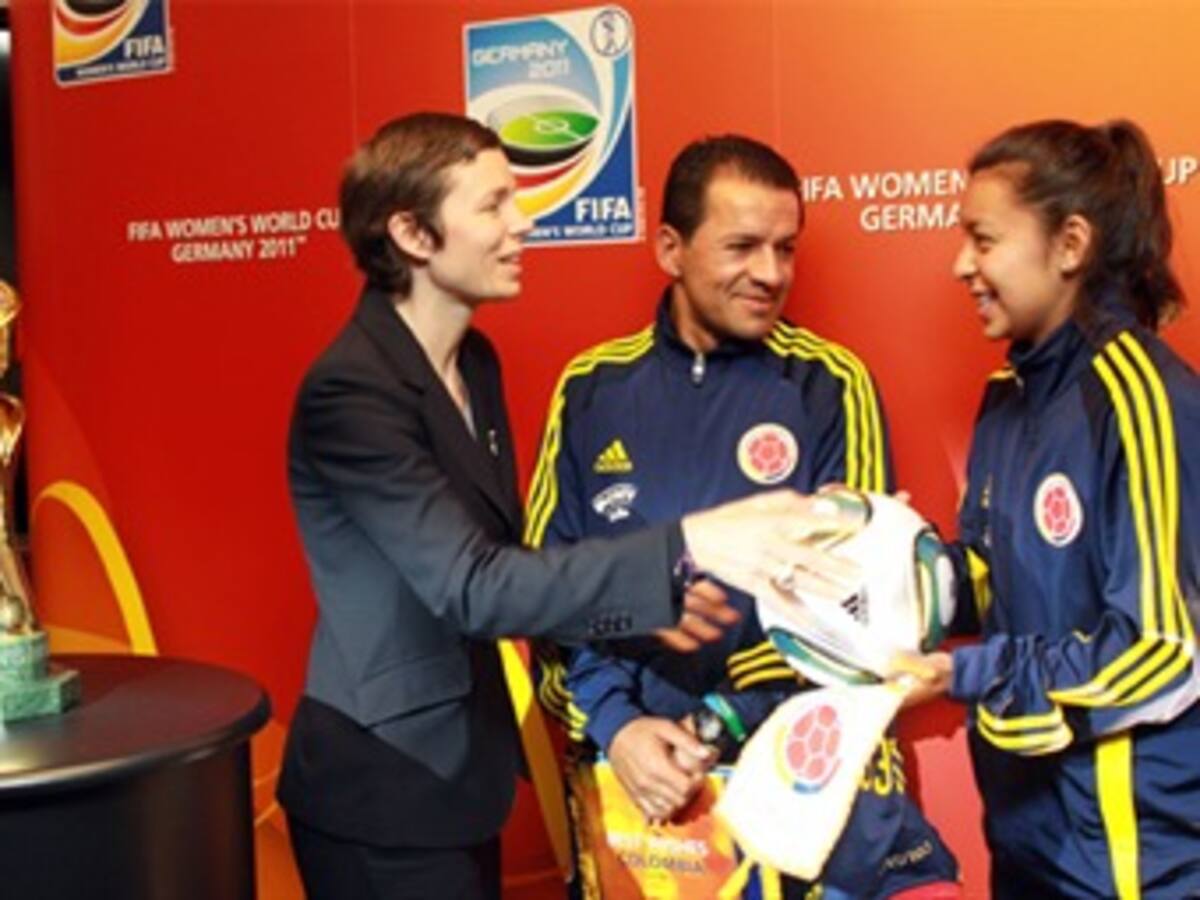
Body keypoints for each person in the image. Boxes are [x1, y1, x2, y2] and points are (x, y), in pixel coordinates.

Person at [276, 113, 858, 900]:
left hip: (459, 784)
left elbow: (523, 565)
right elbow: (476, 587)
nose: (523, 223)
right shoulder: (351, 392)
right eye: (493, 206)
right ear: (414, 234)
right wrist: (690, 546)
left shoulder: (471, 361)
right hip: (381, 790)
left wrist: (646, 603)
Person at [527, 134, 959, 898]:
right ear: (671, 248)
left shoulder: (827, 383)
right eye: (743, 246)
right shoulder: (592, 388)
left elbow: (854, 634)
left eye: (785, 248)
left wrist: (716, 723)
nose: (770, 273)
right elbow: (547, 596)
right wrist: (617, 725)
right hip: (641, 795)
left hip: (799, 787)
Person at [901, 119, 1200, 898]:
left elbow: (1163, 650)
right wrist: (887, 554)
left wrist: (966, 671)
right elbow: (998, 578)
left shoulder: (1140, 397)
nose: (960, 263)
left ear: (1070, 244)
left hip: (1130, 859)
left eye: (984, 239)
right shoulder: (1010, 394)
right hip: (1029, 834)